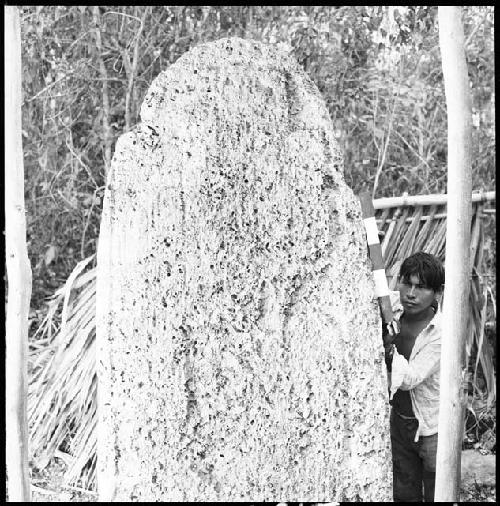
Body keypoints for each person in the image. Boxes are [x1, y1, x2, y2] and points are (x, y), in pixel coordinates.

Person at [383, 251, 445, 502]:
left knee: (436, 491)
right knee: (403, 490)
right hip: (399, 422)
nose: (410, 293)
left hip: (431, 427)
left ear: (437, 292)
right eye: (406, 283)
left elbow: (410, 378)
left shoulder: (440, 333)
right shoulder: (394, 312)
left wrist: (388, 350)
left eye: (421, 287)